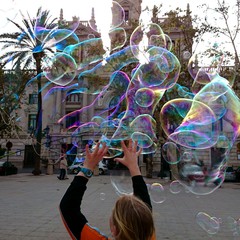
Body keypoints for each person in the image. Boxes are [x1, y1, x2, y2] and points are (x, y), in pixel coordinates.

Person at [59, 139, 156, 240]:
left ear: (114, 229)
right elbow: (144, 212)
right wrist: (134, 167)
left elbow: (67, 208)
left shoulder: (148, 233)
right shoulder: (147, 234)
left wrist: (87, 167)